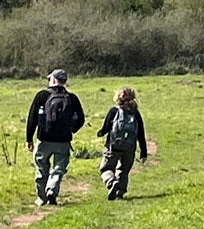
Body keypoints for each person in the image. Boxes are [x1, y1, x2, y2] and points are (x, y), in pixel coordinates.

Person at [22, 69, 86, 206]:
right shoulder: (72, 98)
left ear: (54, 80)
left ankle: (42, 198)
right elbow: (81, 119)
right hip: (63, 140)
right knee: (59, 168)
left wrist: (29, 139)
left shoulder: (42, 95)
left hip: (44, 138)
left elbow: (32, 118)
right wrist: (70, 131)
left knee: (41, 168)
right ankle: (52, 190)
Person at [98, 87, 150, 200]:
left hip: (113, 146)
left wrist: (101, 133)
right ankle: (119, 193)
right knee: (124, 170)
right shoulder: (136, 114)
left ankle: (112, 183)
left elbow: (106, 128)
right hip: (130, 148)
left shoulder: (114, 111)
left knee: (106, 168)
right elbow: (140, 133)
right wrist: (144, 152)